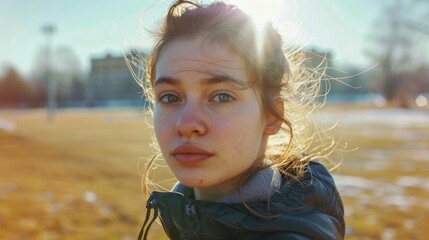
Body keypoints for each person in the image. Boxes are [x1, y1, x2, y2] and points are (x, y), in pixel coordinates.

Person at [129, 0, 345, 239]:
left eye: (221, 97)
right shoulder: (189, 215)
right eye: (170, 97)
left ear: (273, 115)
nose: (186, 124)